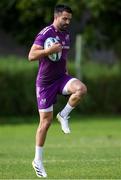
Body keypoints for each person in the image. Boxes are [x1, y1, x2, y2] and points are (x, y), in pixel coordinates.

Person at [28, 4, 87, 178]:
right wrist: (48, 51)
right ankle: (37, 160)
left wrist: (66, 72)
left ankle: (64, 115)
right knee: (45, 123)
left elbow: (63, 57)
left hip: (61, 78)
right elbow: (31, 56)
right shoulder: (45, 33)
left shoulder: (66, 35)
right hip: (45, 84)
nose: (68, 22)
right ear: (56, 17)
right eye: (65, 18)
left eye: (70, 19)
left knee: (81, 89)